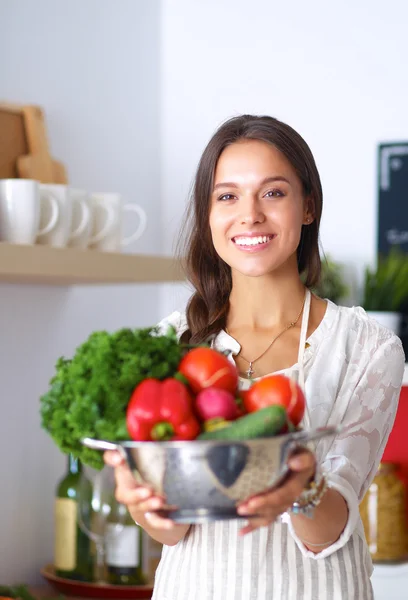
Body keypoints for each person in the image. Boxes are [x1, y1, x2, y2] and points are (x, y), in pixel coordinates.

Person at [104, 114, 405, 599]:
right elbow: (170, 531)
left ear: (308, 207)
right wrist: (142, 502)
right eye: (227, 196)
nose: (250, 215)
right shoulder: (166, 347)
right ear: (208, 214)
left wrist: (302, 488)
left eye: (273, 192)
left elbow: (330, 530)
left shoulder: (366, 348)